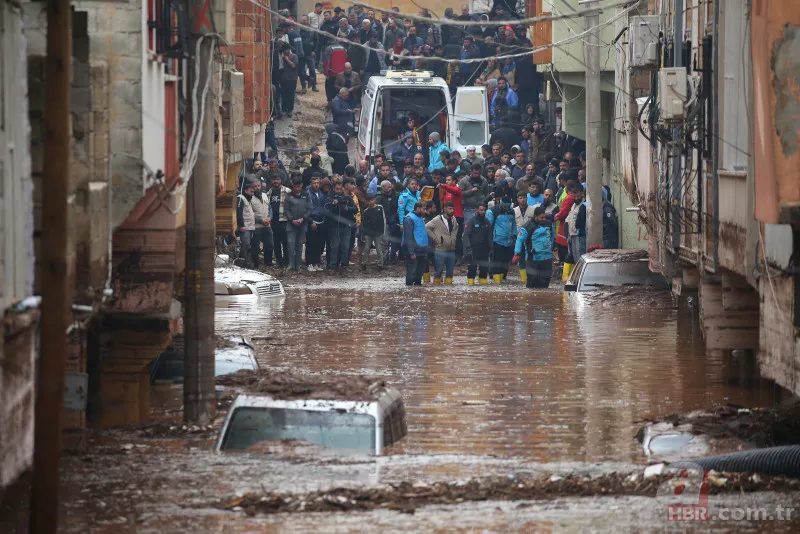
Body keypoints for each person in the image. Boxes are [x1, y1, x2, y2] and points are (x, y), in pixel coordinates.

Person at [513, 206, 554, 289]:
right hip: (533, 258)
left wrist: (552, 247)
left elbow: (552, 237)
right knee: (532, 283)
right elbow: (519, 240)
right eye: (541, 217)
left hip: (547, 257)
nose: (543, 219)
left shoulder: (549, 225)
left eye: (544, 217)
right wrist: (517, 253)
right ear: (535, 217)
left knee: (545, 283)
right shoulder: (527, 226)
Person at [325, 179, 358, 270]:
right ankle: (332, 265)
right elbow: (326, 210)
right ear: (333, 189)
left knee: (345, 247)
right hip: (334, 227)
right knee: (334, 247)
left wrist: (347, 208)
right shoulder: (329, 198)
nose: (339, 191)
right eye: (337, 189)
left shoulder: (347, 198)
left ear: (343, 188)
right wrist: (333, 204)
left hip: (346, 226)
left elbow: (355, 209)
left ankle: (344, 265)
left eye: (340, 189)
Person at [426, 201, 459, 284]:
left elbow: (456, 228)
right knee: (439, 271)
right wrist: (435, 238)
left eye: (453, 209)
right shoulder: (437, 219)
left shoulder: (454, 219)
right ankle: (436, 286)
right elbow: (426, 227)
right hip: (440, 249)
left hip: (452, 248)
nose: (452, 210)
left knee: (450, 272)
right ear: (444, 209)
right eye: (450, 209)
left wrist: (454, 238)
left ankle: (448, 287)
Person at [284, 177, 311, 271]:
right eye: (295, 186)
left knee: (299, 244)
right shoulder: (288, 195)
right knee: (290, 243)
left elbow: (309, 209)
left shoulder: (306, 195)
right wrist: (292, 220)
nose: (297, 188)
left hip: (303, 223)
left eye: (298, 186)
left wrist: (303, 218)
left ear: (301, 185)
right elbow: (286, 210)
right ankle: (291, 264)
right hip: (291, 223)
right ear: (293, 186)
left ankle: (297, 264)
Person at [486, 199, 517, 283]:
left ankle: (503, 278)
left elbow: (514, 224)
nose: (506, 208)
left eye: (507, 206)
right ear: (500, 204)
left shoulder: (511, 211)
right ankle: (495, 279)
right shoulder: (493, 211)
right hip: (496, 240)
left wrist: (514, 234)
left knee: (506, 260)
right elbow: (488, 226)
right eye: (504, 206)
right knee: (496, 260)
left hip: (509, 241)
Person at [463, 203, 492, 285]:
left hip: (484, 249)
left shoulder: (487, 222)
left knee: (484, 269)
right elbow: (465, 235)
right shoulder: (471, 221)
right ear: (476, 210)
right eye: (481, 210)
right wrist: (468, 248)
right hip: (473, 249)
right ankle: (470, 285)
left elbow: (490, 235)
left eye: (484, 210)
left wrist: (491, 247)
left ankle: (483, 285)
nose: (483, 212)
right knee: (472, 268)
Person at [266, 174, 290, 267]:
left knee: (285, 242)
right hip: (273, 221)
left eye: (278, 179)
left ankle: (286, 261)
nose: (276, 181)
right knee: (276, 242)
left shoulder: (287, 191)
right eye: (274, 179)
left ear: (281, 180)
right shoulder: (269, 192)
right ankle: (278, 261)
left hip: (284, 220)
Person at [403, 202, 429, 286]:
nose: (425, 211)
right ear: (418, 208)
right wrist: (411, 252)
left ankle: (417, 291)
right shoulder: (409, 219)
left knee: (419, 275)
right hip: (413, 250)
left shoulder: (421, 218)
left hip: (422, 249)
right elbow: (408, 237)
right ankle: (409, 290)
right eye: (424, 209)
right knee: (411, 274)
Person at [250, 177, 273, 268]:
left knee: (269, 245)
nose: (257, 188)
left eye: (258, 186)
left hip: (267, 225)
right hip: (257, 226)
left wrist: (269, 218)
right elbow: (250, 213)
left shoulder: (265, 195)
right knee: (255, 246)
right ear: (252, 187)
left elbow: (270, 208)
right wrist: (261, 220)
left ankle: (268, 263)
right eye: (255, 186)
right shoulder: (250, 197)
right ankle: (256, 264)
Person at [306, 176, 327, 271]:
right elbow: (306, 209)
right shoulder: (308, 193)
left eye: (318, 183)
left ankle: (316, 263)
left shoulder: (321, 193)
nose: (316, 185)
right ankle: (309, 263)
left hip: (321, 220)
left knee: (319, 243)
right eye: (314, 183)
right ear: (311, 184)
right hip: (312, 220)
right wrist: (311, 221)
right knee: (311, 243)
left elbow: (323, 206)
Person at [377, 180, 400, 264]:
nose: (390, 188)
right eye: (388, 187)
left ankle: (393, 257)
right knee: (385, 241)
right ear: (383, 187)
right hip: (384, 221)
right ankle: (384, 258)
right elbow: (378, 210)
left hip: (394, 220)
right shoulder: (379, 196)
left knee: (394, 240)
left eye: (390, 186)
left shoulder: (395, 195)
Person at [361, 194, 386, 270]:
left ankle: (380, 264)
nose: (370, 202)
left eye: (372, 200)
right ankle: (363, 263)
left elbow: (384, 220)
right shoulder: (366, 211)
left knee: (379, 249)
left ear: (375, 200)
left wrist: (383, 232)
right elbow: (364, 224)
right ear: (366, 202)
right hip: (368, 233)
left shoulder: (380, 208)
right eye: (369, 201)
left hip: (378, 233)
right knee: (366, 249)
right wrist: (364, 234)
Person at [236, 180, 257, 267]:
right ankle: (242, 263)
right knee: (245, 245)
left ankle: (247, 263)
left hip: (250, 227)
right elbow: (239, 212)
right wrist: (241, 225)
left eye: (253, 192)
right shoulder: (241, 198)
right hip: (245, 227)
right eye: (251, 192)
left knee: (248, 246)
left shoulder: (248, 200)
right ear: (245, 191)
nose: (252, 194)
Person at [567, 185, 587, 265]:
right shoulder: (574, 205)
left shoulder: (584, 206)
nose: (576, 198)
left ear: (582, 194)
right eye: (574, 196)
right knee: (575, 258)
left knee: (580, 258)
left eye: (578, 196)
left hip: (579, 235)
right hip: (571, 235)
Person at [280, 43, 299, 117]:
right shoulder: (283, 56)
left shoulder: (294, 56)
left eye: (285, 50)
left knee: (291, 94)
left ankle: (290, 110)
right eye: (283, 51)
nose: (284, 52)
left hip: (292, 79)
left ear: (288, 49)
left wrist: (287, 59)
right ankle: (284, 108)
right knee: (284, 94)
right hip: (284, 78)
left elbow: (293, 65)